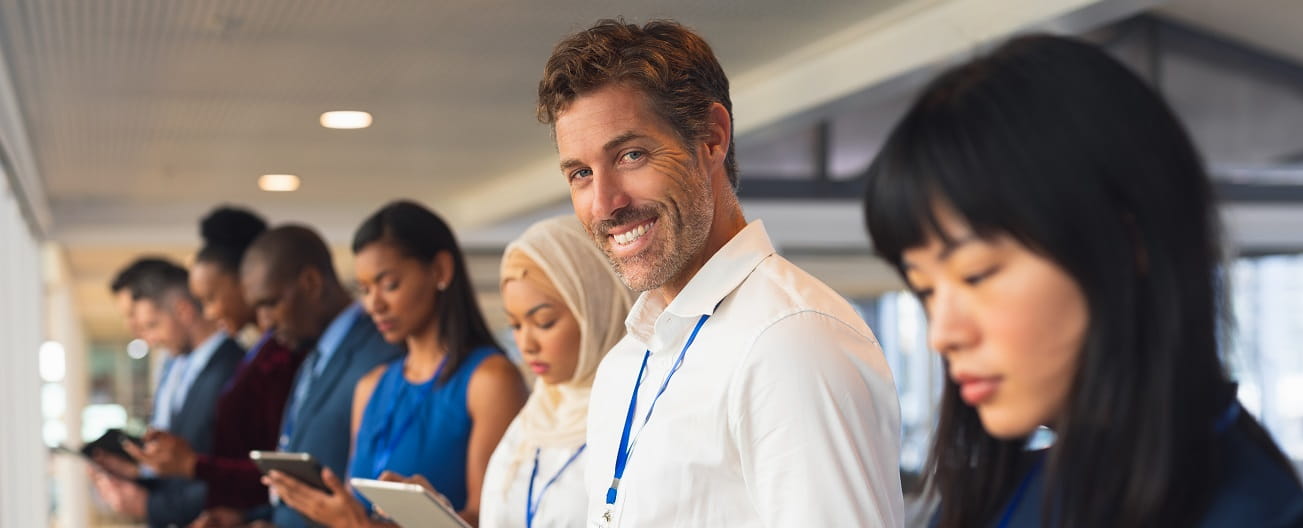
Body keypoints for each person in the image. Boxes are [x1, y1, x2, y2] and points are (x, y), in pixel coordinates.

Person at [863, 35, 1303, 527]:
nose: (942, 334)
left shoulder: (1263, 515)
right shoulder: (985, 505)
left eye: (975, 274)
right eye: (925, 289)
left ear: (1128, 244)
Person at [538, 18, 904, 527]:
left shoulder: (790, 340)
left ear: (712, 138)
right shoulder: (626, 364)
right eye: (581, 173)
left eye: (631, 155)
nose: (604, 204)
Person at [265, 201, 527, 527]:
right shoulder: (371, 384)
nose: (373, 304)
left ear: (440, 270)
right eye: (364, 289)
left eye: (389, 284)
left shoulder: (489, 379)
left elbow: (489, 519)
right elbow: (356, 509)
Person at [124, 206, 307, 524]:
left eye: (211, 298)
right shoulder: (259, 355)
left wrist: (193, 466)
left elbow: (277, 460)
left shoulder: (277, 358)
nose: (208, 313)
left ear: (246, 282)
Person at [477, 215, 635, 528]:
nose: (526, 345)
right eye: (515, 325)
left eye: (544, 322)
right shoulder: (533, 420)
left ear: (595, 311)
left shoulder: (634, 417)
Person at [242, 225, 403, 528]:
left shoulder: (383, 351)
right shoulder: (313, 353)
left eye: (271, 303)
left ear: (311, 283)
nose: (265, 323)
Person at [93, 259, 246, 527]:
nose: (146, 337)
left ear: (183, 311)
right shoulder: (175, 366)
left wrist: (150, 505)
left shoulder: (236, 369)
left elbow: (236, 476)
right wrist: (138, 474)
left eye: (151, 325)